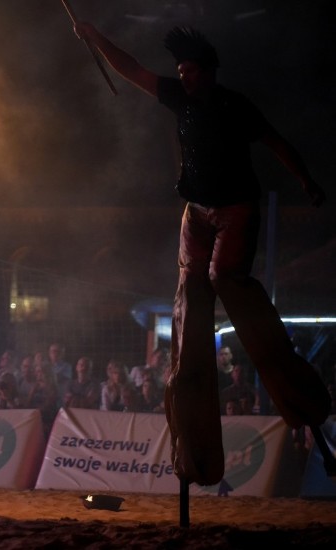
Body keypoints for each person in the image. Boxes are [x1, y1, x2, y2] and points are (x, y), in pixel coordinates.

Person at [73, 22, 332, 486]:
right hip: (196, 210)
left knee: (226, 281)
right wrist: (94, 38)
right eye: (181, 70)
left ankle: (296, 393)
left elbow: (277, 143)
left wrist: (306, 180)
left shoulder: (236, 106)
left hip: (236, 210)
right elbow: (131, 69)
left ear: (210, 72)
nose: (185, 77)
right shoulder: (179, 96)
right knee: (190, 298)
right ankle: (192, 437)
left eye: (191, 70)